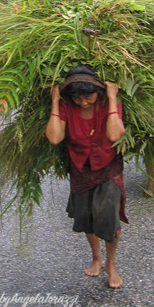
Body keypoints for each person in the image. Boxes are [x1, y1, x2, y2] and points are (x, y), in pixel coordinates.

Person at [45, 66, 128, 289]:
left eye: (88, 96)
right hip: (80, 169)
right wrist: (55, 102)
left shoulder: (108, 102)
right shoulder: (66, 106)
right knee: (86, 216)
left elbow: (114, 135)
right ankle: (96, 257)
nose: (83, 102)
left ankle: (111, 264)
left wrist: (111, 99)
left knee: (109, 217)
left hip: (108, 167)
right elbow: (54, 137)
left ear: (98, 91)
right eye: (77, 97)